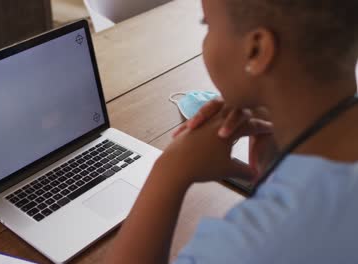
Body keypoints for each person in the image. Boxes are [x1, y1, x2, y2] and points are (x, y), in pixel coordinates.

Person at [104, 0, 358, 263]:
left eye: (208, 25)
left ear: (256, 49)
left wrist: (170, 171)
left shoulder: (254, 244)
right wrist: (273, 161)